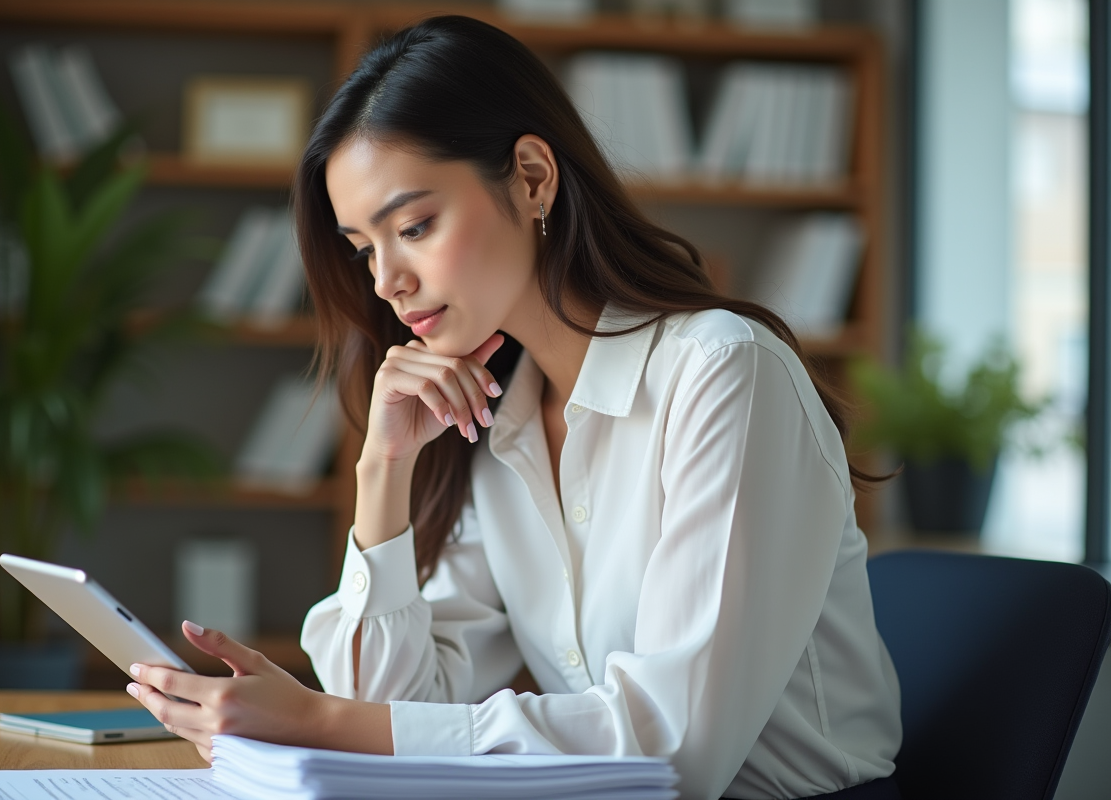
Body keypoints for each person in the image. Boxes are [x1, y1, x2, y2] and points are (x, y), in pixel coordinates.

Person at [126, 15, 902, 800]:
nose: (385, 281)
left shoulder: (723, 372)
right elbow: (404, 716)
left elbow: (672, 753)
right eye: (364, 248)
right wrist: (382, 470)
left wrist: (316, 721)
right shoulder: (497, 411)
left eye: (415, 226)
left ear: (532, 177)